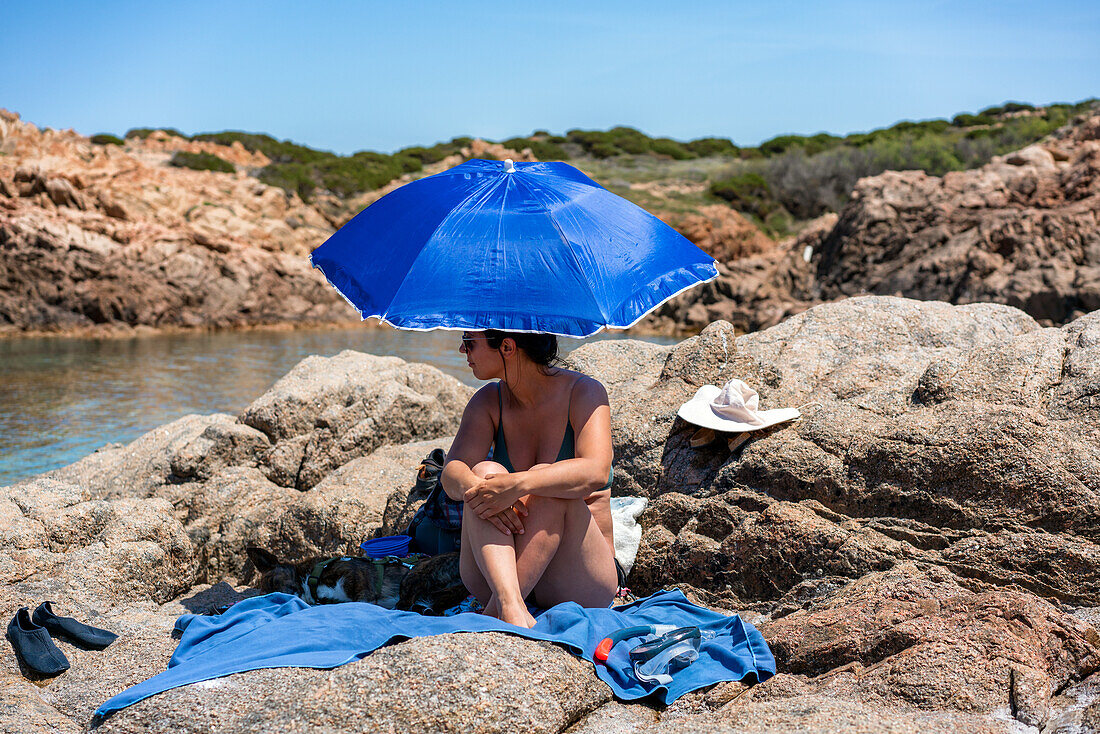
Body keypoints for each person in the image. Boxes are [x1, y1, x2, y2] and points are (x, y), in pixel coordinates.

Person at [441, 330, 617, 628]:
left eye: (469, 342)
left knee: (545, 481)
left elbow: (596, 470)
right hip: (498, 572)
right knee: (483, 474)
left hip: (575, 578)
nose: (462, 349)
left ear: (507, 347)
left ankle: (501, 610)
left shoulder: (585, 393)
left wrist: (519, 485)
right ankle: (510, 605)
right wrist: (483, 489)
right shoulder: (488, 401)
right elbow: (450, 472)